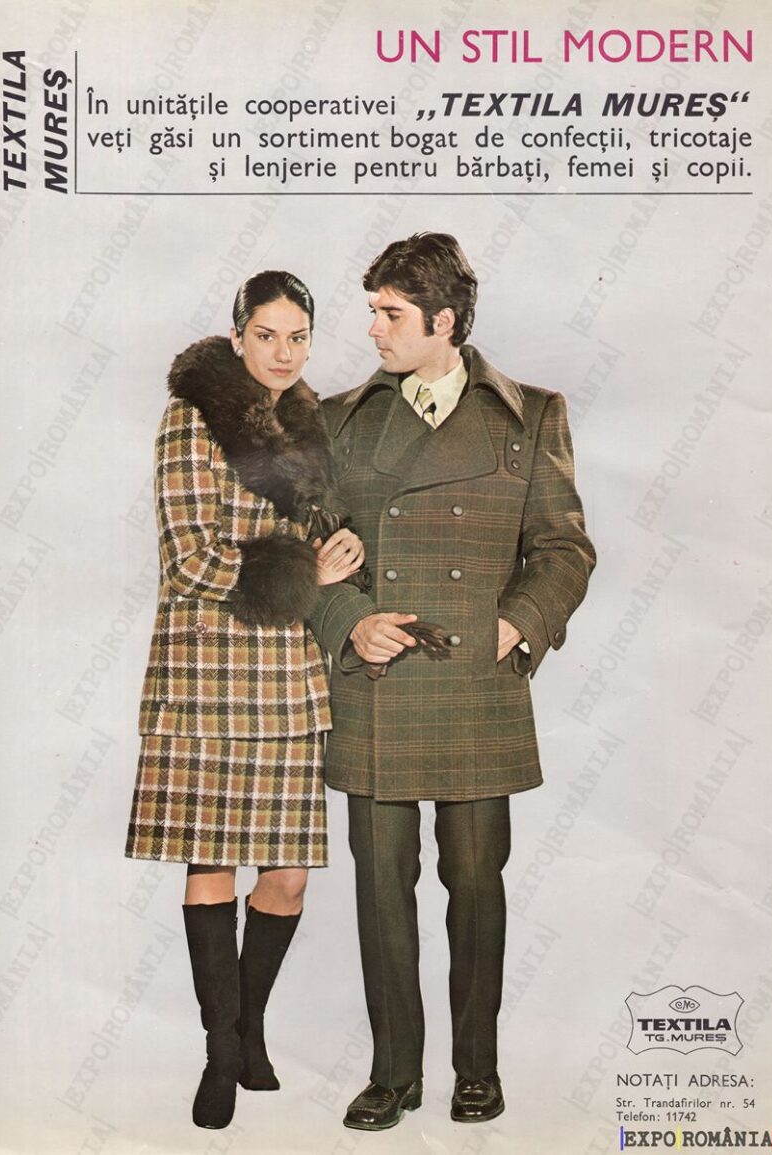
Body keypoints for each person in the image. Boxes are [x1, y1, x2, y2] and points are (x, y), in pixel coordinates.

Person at [311, 233, 596, 1130]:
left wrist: (518, 624)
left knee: (476, 886)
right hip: (378, 685)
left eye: (391, 314)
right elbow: (302, 552)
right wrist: (349, 620)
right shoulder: (336, 419)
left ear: (444, 321)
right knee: (381, 891)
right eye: (373, 311)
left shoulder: (532, 414)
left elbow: (564, 548)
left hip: (476, 682)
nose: (373, 329)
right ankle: (393, 1073)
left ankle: (478, 1067)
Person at [125, 270, 364, 1130]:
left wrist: (339, 557)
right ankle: (221, 1054)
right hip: (207, 671)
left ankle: (245, 1024)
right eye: (267, 335)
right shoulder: (191, 417)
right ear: (237, 338)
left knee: (289, 874)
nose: (283, 353)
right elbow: (189, 559)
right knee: (213, 863)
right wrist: (306, 572)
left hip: (287, 669)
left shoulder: (307, 426)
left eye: (298, 337)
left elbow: (318, 544)